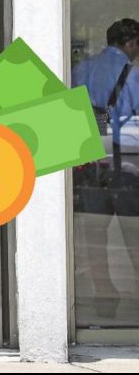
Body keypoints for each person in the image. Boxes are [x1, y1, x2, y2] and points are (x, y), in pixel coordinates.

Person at [72, 18, 139, 319]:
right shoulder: (134, 76)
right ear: (130, 43)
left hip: (88, 165)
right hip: (124, 166)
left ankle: (104, 298)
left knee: (94, 236)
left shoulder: (80, 70)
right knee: (133, 236)